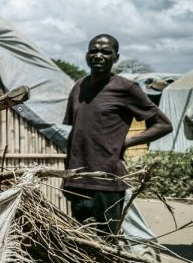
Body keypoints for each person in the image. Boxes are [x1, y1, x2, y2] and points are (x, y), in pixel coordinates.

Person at [62, 34, 172, 234]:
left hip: (107, 180)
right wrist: (67, 176)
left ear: (116, 57)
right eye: (94, 50)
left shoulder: (126, 88)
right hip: (78, 180)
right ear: (87, 56)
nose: (98, 55)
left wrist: (127, 143)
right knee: (80, 242)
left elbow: (163, 125)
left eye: (105, 52)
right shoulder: (79, 87)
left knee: (107, 241)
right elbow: (75, 135)